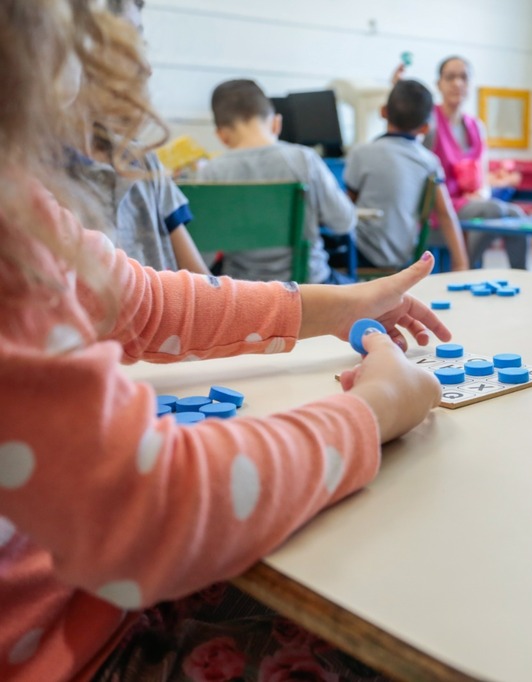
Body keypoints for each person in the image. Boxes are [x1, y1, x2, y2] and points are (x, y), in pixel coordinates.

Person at [0, 2, 446, 679]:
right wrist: (373, 412)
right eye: (113, 24)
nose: (134, 56)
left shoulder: (23, 211)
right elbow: (151, 507)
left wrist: (338, 306)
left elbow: (145, 302)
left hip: (90, 599)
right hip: (76, 651)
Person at [68, 0, 210, 275]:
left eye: (140, 43)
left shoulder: (143, 161)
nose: (146, 66)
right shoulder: (31, 182)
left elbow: (202, 282)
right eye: (126, 43)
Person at [198, 79, 357, 284]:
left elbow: (202, 256)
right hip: (311, 288)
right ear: (276, 123)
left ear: (222, 136)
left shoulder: (212, 173)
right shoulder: (304, 159)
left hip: (247, 294)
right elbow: (344, 222)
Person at [344, 79, 469, 271]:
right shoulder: (429, 161)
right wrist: (461, 264)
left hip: (362, 252)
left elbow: (345, 206)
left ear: (383, 111)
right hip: (405, 253)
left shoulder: (361, 153)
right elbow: (445, 215)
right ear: (425, 127)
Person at [419, 56, 529, 270]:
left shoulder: (476, 126)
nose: (457, 83)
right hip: (441, 207)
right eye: (450, 77)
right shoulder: (430, 123)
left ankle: (522, 276)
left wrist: (482, 194)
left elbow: (483, 178)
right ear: (438, 84)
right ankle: (463, 268)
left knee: (517, 215)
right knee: (494, 210)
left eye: (463, 77)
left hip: (471, 204)